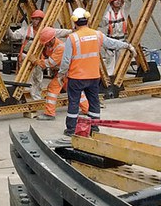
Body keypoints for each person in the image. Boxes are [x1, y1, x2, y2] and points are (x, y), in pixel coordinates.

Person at [58, 8, 136, 136]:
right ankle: (94, 128)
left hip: (76, 77)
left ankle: (71, 129)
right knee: (94, 102)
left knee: (73, 103)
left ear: (75, 22)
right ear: (88, 20)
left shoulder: (72, 38)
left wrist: (61, 74)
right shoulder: (97, 35)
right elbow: (112, 43)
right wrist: (127, 45)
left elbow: (66, 60)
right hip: (93, 76)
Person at [34, 27, 88, 121]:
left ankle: (49, 114)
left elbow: (49, 63)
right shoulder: (50, 45)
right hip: (66, 72)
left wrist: (36, 61)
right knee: (75, 91)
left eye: (47, 42)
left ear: (52, 39)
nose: (45, 44)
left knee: (52, 88)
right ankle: (87, 109)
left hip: (65, 72)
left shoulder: (60, 48)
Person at [100, 0, 132, 73]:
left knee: (120, 62)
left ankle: (118, 77)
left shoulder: (123, 12)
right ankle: (110, 78)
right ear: (111, 3)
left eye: (119, 0)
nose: (118, 2)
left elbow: (128, 2)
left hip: (121, 40)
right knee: (110, 62)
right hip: (111, 41)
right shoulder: (107, 15)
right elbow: (100, 23)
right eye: (116, 0)